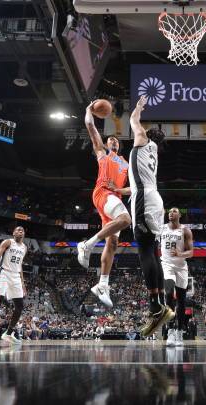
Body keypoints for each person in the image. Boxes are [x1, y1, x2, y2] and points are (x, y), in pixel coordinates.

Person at [76, 101, 131, 308]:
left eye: (115, 140)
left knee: (113, 244)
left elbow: (133, 189)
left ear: (119, 145)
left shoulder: (126, 163)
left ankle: (102, 285)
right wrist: (88, 111)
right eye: (110, 139)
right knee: (126, 220)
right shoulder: (102, 154)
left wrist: (118, 190)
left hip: (113, 198)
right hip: (103, 194)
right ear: (107, 145)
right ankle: (86, 245)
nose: (112, 141)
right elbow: (91, 128)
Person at [127, 95, 174, 337]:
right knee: (152, 251)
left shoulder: (142, 140)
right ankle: (158, 304)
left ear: (148, 134)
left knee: (145, 251)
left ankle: (156, 307)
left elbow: (133, 120)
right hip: (153, 199)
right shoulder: (151, 152)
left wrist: (138, 107)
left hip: (144, 201)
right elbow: (137, 181)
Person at [160, 208, 193, 347]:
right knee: (168, 293)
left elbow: (191, 252)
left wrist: (181, 254)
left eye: (174, 211)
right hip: (167, 265)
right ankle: (171, 330)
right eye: (169, 212)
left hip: (181, 267)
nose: (171, 213)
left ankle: (180, 331)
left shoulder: (185, 231)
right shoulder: (161, 228)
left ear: (179, 215)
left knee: (181, 301)